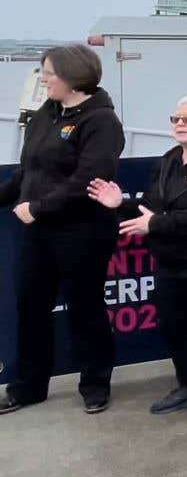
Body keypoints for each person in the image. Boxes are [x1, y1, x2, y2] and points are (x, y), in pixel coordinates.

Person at [88, 94, 187, 418]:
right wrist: (120, 205)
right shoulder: (169, 160)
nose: (178, 125)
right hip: (171, 261)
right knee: (175, 325)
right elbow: (152, 208)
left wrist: (156, 223)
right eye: (175, 119)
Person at [0, 45, 125, 415]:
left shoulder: (101, 121)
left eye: (48, 73)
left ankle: (95, 384)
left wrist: (38, 208)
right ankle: (28, 386)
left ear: (72, 77)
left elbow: (89, 177)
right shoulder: (45, 115)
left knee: (85, 307)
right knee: (31, 308)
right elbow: (28, 171)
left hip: (81, 230)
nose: (43, 78)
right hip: (37, 232)